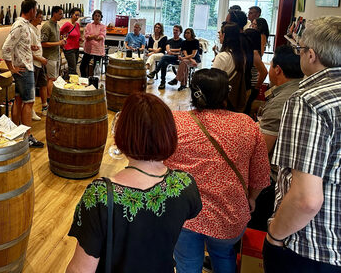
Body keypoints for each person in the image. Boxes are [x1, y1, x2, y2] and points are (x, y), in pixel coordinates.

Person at [66, 92, 202, 273]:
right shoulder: (185, 185)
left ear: (122, 134)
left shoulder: (99, 196)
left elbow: (80, 270)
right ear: (169, 133)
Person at [165, 68, 270, 273]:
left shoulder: (176, 122)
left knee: (186, 264)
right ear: (226, 92)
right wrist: (251, 198)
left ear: (193, 92)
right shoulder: (247, 124)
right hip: (230, 215)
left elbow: (160, 165)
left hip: (184, 213)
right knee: (224, 257)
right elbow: (261, 176)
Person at [263, 16, 341, 272]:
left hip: (312, 244)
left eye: (300, 49)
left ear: (311, 55)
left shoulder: (309, 101)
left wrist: (275, 235)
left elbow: (306, 199)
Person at [247, 45, 303, 232]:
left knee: (256, 229)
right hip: (291, 177)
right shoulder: (300, 89)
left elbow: (262, 150)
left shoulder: (282, 101)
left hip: (273, 180)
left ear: (277, 69)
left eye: (270, 66)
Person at [2, 0, 44, 148]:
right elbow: (6, 48)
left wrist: (28, 47)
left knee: (19, 100)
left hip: (24, 67)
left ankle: (16, 132)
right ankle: (27, 137)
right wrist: (11, 68)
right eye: (36, 10)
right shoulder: (20, 25)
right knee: (29, 102)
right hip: (24, 69)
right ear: (32, 10)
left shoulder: (24, 25)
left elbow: (17, 45)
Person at [212, 23, 247, 112]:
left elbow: (212, 81)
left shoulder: (222, 56)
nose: (219, 33)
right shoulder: (241, 56)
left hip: (220, 100)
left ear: (224, 35)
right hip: (233, 99)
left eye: (220, 31)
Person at [41, 6, 65, 114]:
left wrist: (61, 42)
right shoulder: (47, 26)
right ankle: (49, 103)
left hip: (56, 56)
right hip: (49, 57)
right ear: (54, 13)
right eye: (60, 14)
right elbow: (43, 43)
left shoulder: (57, 25)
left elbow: (56, 41)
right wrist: (58, 43)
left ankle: (53, 102)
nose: (62, 16)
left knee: (54, 79)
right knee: (50, 79)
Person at [147, 25, 184, 90]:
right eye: (174, 30)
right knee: (164, 62)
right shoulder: (169, 41)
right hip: (169, 57)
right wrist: (177, 51)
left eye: (176, 30)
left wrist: (173, 51)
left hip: (177, 59)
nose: (174, 32)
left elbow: (182, 52)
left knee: (164, 58)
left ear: (180, 32)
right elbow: (168, 51)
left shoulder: (182, 42)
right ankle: (162, 82)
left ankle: (155, 72)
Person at [31, 9, 47, 121]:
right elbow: (28, 51)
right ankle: (30, 110)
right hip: (34, 63)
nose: (41, 19)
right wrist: (39, 59)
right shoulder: (29, 31)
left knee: (43, 83)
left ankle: (44, 106)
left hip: (39, 62)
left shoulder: (36, 29)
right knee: (32, 88)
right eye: (40, 17)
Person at [79, 10, 106, 78]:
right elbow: (86, 36)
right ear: (93, 16)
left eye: (98, 16)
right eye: (95, 15)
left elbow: (102, 37)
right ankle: (84, 79)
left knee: (95, 69)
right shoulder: (88, 25)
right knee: (82, 66)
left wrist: (92, 36)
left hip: (98, 50)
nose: (97, 17)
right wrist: (94, 36)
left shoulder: (103, 26)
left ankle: (93, 83)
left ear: (101, 17)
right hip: (89, 49)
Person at [61, 7, 82, 78]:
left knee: (73, 67)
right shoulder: (67, 24)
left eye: (79, 15)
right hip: (68, 49)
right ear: (71, 15)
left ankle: (66, 79)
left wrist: (80, 39)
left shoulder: (77, 25)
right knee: (72, 67)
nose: (77, 17)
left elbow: (77, 35)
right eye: (76, 15)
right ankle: (72, 83)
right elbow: (59, 33)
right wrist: (62, 42)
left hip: (76, 48)